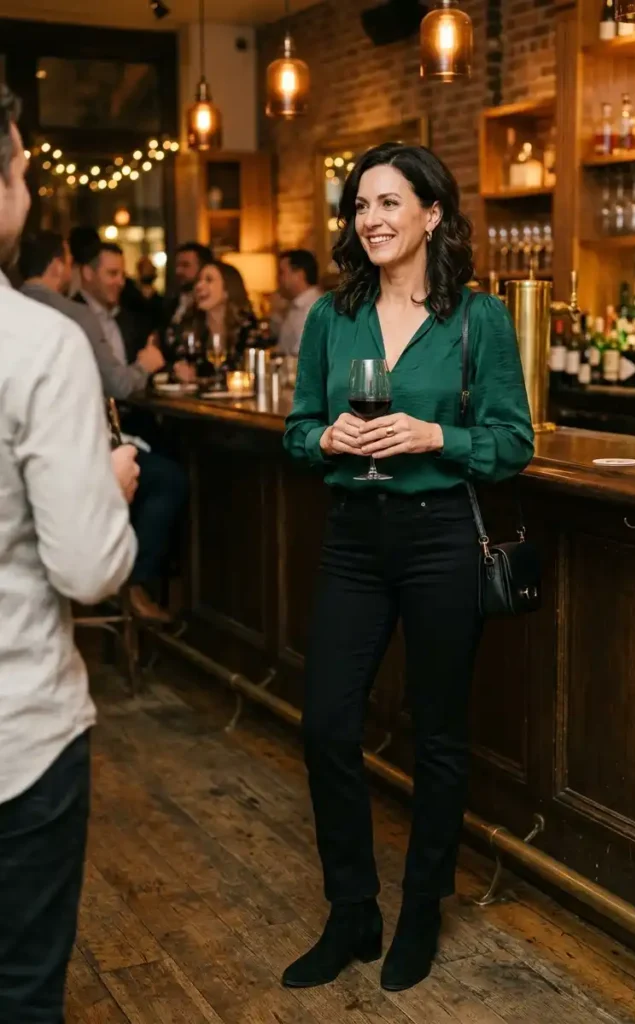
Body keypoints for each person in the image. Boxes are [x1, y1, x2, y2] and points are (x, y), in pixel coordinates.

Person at [283, 143, 534, 992]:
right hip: (353, 535)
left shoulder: (478, 320)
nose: (372, 219)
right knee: (324, 725)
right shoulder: (331, 315)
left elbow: (511, 444)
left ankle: (421, 907)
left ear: (432, 214)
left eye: (389, 203)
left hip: (436, 538)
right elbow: (297, 428)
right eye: (360, 206)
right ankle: (352, 912)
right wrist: (325, 437)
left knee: (437, 737)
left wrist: (437, 436)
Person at [0, 84, 138, 1022]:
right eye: (17, 167)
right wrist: (109, 487)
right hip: (17, 737)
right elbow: (87, 568)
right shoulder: (38, 343)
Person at [70, 239, 188, 624]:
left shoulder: (128, 317)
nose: (121, 281)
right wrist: (145, 367)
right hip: (91, 439)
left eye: (122, 273)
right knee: (168, 478)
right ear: (86, 273)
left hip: (131, 426)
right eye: (112, 273)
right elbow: (121, 381)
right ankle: (135, 583)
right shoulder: (73, 319)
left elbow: (143, 371)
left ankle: (177, 591)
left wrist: (164, 369)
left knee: (180, 458)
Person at [18, 230, 165, 399]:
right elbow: (118, 385)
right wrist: (144, 366)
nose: (121, 282)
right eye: (70, 263)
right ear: (57, 266)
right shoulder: (76, 315)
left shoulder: (8, 309)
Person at [180, 259, 256, 363]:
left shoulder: (248, 328)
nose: (198, 286)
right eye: (198, 280)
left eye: (209, 280)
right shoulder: (188, 325)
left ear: (227, 290)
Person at [275, 249, 322, 356]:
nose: (278, 279)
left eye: (282, 273)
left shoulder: (312, 308)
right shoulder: (297, 305)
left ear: (299, 275)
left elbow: (300, 355)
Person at [166, 240, 213, 327]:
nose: (178, 271)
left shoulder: (211, 307)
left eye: (185, 265)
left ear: (203, 268)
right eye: (177, 266)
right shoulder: (170, 305)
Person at [121, 254, 165, 337]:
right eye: (146, 268)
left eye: (151, 268)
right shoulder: (129, 293)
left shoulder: (159, 300)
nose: (149, 270)